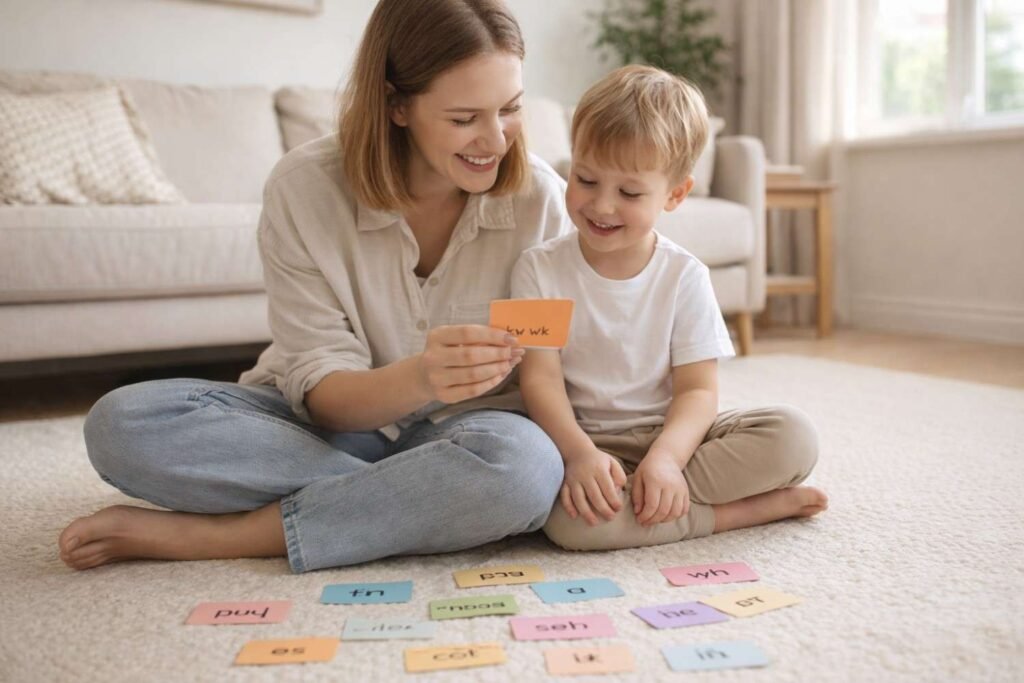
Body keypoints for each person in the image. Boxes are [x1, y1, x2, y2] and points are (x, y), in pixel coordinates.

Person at [57, 0, 573, 573]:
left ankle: (230, 535)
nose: (496, 140)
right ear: (395, 104)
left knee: (524, 465)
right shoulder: (304, 190)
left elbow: (554, 369)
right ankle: (427, 500)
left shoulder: (541, 201)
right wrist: (422, 378)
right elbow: (324, 390)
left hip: (470, 432)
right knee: (121, 424)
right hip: (324, 430)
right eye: (463, 118)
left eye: (511, 109)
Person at [512, 65, 828, 552]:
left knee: (794, 435)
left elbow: (698, 391)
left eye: (630, 193)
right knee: (570, 525)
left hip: (675, 437)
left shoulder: (686, 276)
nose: (602, 205)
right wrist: (579, 456)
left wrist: (666, 461)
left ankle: (660, 498)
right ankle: (735, 513)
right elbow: (538, 380)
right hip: (584, 441)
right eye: (586, 178)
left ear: (676, 194)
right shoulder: (535, 268)